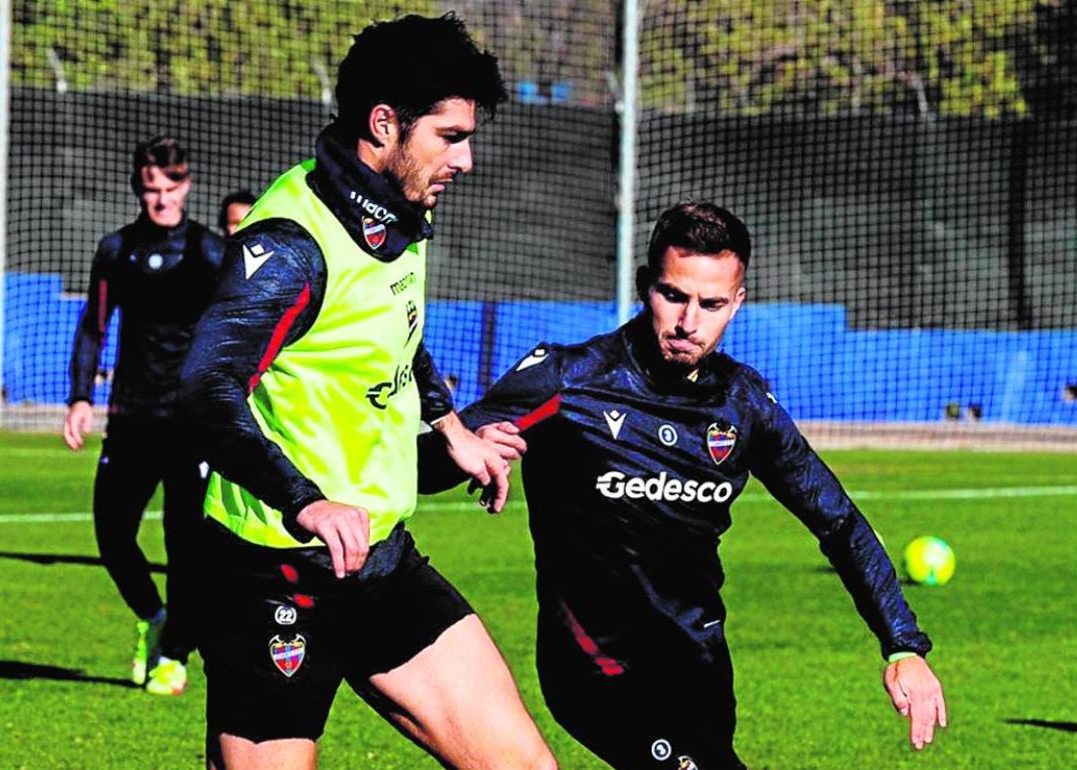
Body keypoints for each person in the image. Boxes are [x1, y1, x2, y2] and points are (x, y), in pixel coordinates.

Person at [421, 202, 948, 769]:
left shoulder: (744, 405)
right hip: (595, 665)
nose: (689, 321)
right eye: (674, 296)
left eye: (712, 304)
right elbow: (430, 468)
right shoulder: (568, 378)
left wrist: (902, 643)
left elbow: (836, 520)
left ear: (737, 303)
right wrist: (463, 452)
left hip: (698, 665)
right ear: (647, 286)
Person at [178, 14, 556, 770]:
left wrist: (451, 429)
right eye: (450, 136)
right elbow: (203, 388)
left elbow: (397, 331)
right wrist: (305, 499)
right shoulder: (291, 245)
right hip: (272, 571)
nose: (468, 159)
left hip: (381, 564)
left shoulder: (398, 217)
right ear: (386, 124)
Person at [64, 135, 225, 696]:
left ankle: (175, 656)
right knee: (112, 534)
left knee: (186, 545)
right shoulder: (116, 250)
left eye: (171, 187)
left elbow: (233, 328)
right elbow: (93, 326)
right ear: (139, 188)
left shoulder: (208, 251)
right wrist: (80, 396)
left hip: (190, 423)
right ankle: (156, 619)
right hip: (131, 415)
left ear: (187, 184)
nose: (161, 199)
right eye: (151, 188)